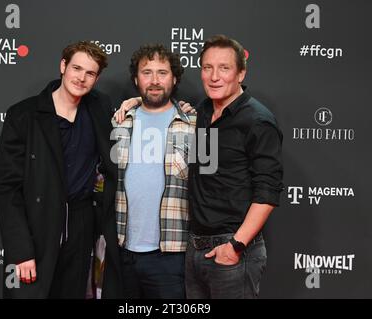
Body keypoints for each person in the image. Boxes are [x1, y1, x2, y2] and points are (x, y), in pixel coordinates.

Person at [0, 41, 122, 298]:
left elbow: (138, 110)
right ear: (63, 66)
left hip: (81, 223)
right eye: (77, 68)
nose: (81, 78)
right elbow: (8, 188)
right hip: (37, 225)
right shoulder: (24, 115)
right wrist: (21, 251)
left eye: (90, 73)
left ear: (96, 78)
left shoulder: (99, 107)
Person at [186, 34, 284, 299]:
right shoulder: (203, 112)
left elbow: (267, 191)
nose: (214, 76)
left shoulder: (258, 121)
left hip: (233, 252)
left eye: (224, 68)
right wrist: (132, 102)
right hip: (195, 248)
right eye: (208, 68)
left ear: (241, 73)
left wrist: (235, 246)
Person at [111, 44, 196, 298]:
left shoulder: (197, 125)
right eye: (147, 72)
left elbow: (211, 188)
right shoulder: (118, 122)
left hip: (172, 256)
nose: (155, 80)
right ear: (136, 79)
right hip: (122, 252)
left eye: (162, 72)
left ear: (175, 78)